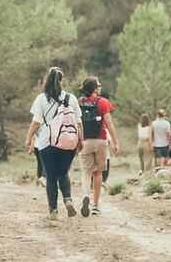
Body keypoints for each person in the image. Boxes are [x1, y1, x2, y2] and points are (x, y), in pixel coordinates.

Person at [25, 66, 83, 220]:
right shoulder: (71, 98)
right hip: (69, 142)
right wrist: (80, 140)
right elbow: (78, 122)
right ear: (62, 80)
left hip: (46, 142)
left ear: (47, 80)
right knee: (63, 172)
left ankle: (53, 212)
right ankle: (68, 200)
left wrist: (29, 138)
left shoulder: (41, 98)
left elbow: (36, 122)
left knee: (51, 176)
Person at [78, 76, 119, 217]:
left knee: (86, 171)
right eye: (99, 85)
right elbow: (109, 123)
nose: (100, 87)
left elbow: (76, 123)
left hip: (85, 141)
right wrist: (115, 142)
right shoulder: (102, 102)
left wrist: (77, 140)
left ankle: (85, 195)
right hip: (100, 140)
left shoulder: (79, 102)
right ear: (95, 88)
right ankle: (95, 205)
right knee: (98, 173)